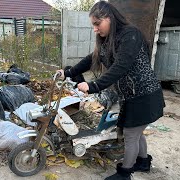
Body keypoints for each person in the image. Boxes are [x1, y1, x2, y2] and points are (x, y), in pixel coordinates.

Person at [57, 1, 165, 180]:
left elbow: (121, 66)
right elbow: (91, 59)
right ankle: (143, 162)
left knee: (130, 134)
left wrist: (93, 86)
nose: (95, 29)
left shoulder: (130, 35)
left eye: (97, 24)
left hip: (145, 95)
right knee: (135, 132)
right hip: (131, 96)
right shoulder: (108, 41)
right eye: (93, 25)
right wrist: (68, 72)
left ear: (109, 18)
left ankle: (124, 174)